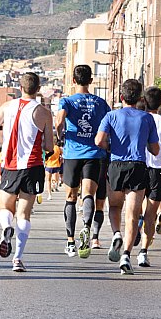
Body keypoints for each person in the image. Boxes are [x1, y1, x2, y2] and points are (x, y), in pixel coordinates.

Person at [0, 72, 54, 272]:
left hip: (10, 165)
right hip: (33, 167)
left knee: (6, 208)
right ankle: (18, 258)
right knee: (24, 213)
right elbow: (49, 146)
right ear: (38, 89)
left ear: (20, 87)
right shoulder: (43, 112)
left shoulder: (7, 107)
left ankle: (6, 228)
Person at [94, 79, 159, 275]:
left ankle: (116, 234)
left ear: (121, 97)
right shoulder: (147, 118)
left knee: (114, 206)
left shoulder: (110, 116)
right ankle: (126, 256)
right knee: (132, 214)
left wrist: (110, 146)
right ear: (140, 98)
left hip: (116, 164)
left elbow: (98, 141)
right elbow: (155, 150)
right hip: (138, 166)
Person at [55, 65, 111, 259]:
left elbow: (59, 121)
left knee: (71, 197)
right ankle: (86, 228)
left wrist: (59, 134)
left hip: (72, 154)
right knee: (88, 194)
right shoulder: (101, 103)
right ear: (91, 80)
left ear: (73, 80)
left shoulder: (67, 101)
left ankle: (70, 241)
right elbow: (109, 126)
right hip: (95, 154)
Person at [135, 87, 161, 267]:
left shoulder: (138, 119)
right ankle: (143, 252)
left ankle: (135, 227)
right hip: (157, 170)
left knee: (134, 207)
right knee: (151, 214)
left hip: (138, 167)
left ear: (144, 100)